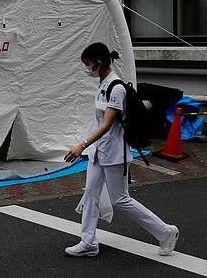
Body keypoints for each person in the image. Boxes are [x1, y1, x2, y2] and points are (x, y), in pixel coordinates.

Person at [63, 42, 179, 257]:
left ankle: (165, 232)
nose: (86, 68)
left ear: (98, 63)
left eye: (87, 64)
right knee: (90, 194)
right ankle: (88, 242)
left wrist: (81, 145)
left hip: (115, 153)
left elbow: (107, 124)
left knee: (120, 199)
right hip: (98, 152)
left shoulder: (116, 88)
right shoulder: (103, 84)